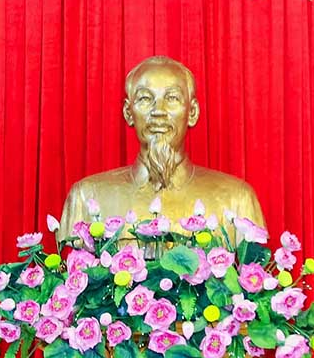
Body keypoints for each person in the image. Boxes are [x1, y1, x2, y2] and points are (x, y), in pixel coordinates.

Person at [58, 55, 264, 235]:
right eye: (145, 99)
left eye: (172, 98)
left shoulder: (238, 199)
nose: (159, 111)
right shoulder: (86, 197)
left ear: (192, 113)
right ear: (129, 113)